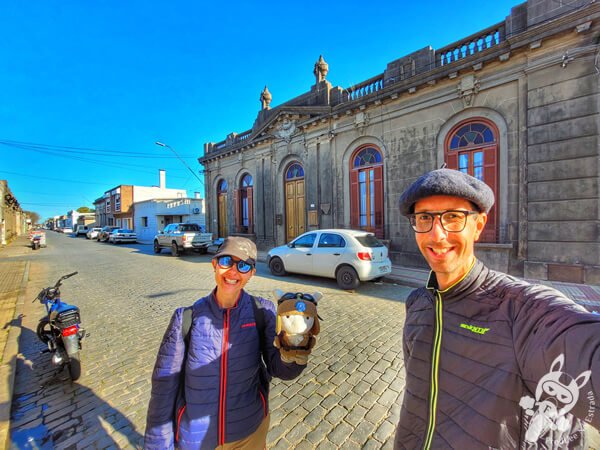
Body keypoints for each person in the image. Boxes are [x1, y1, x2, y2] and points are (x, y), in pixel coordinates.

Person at [394, 168, 600, 449]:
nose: (437, 235)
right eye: (424, 218)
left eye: (453, 217)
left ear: (478, 226)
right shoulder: (417, 303)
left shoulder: (523, 311)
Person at [144, 237, 312, 449]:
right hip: (196, 439)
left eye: (243, 266)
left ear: (252, 273)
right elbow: (163, 389)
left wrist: (293, 353)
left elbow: (282, 371)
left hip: (248, 433)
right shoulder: (187, 318)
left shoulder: (263, 312)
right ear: (214, 264)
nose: (233, 272)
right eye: (226, 262)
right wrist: (157, 445)